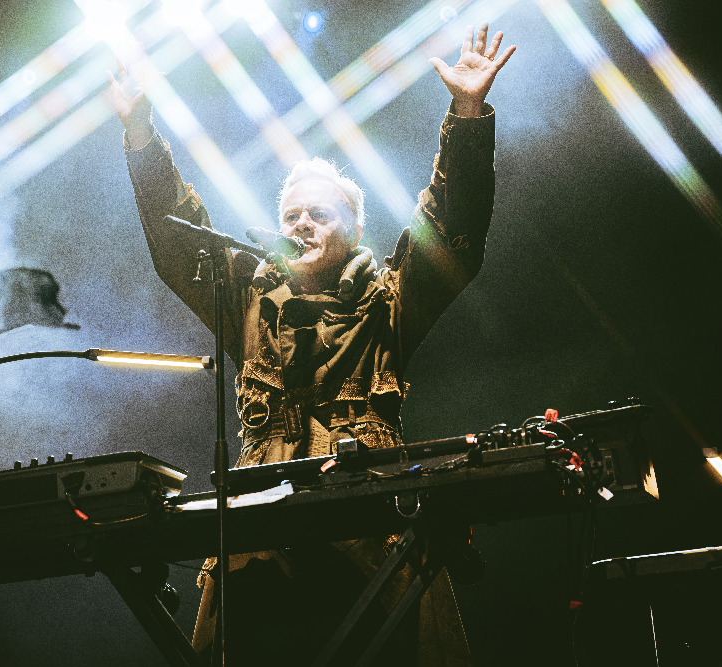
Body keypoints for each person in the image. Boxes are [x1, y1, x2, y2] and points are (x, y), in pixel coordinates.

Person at [109, 22, 515, 667]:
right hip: (258, 543)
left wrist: (466, 113)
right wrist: (139, 135)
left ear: (353, 230)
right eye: (291, 215)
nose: (300, 224)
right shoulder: (248, 299)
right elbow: (179, 240)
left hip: (371, 537)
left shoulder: (389, 300)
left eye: (318, 213)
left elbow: (452, 227)